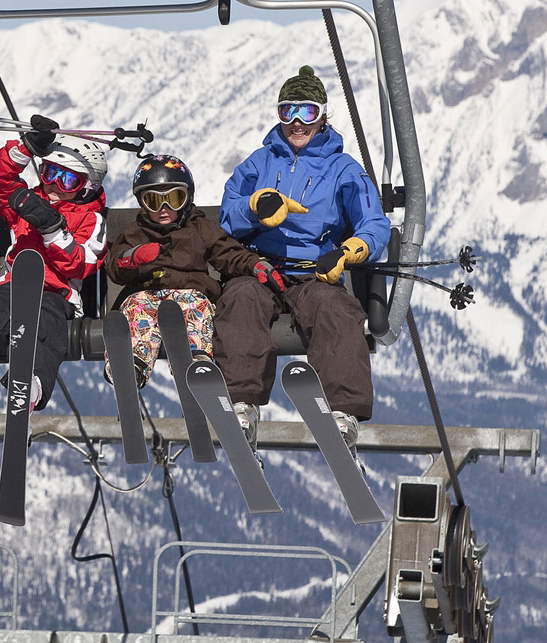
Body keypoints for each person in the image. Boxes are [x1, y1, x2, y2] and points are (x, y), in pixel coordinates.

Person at [214, 65, 391, 461]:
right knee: (240, 299)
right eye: (287, 112)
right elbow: (229, 213)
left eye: (306, 113)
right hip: (263, 265)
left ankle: (343, 413)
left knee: (337, 311)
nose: (296, 123)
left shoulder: (343, 169)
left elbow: (373, 223)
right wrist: (255, 208)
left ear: (323, 115)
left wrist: (349, 252)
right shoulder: (260, 162)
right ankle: (242, 406)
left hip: (315, 271)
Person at [105, 154, 286, 387]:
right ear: (142, 202)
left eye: (174, 198)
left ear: (187, 197)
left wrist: (253, 264)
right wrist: (131, 259)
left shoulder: (199, 227)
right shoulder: (134, 233)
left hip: (190, 294)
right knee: (135, 307)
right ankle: (131, 363)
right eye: (153, 201)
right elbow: (115, 268)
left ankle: (196, 359)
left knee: (198, 306)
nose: (164, 208)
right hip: (148, 294)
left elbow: (227, 252)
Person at [0, 117, 109, 410]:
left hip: (55, 295)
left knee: (46, 326)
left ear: (87, 188)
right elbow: (0, 180)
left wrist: (53, 229)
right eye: (48, 173)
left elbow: (82, 264)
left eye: (67, 179)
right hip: (13, 286)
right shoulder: (27, 201)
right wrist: (27, 148)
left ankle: (30, 382)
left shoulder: (90, 219)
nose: (54, 185)